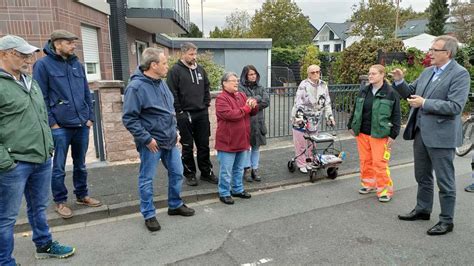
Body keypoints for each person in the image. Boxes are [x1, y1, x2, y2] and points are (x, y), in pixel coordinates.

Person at [0, 35, 75, 265]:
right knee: (6, 217)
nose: (28, 59)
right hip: (14, 163)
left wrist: (49, 146)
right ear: (3, 54)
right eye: (21, 54)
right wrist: (5, 161)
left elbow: (41, 115)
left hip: (41, 159)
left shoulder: (30, 80)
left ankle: (44, 244)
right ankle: (4, 261)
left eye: (29, 54)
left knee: (38, 208)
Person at [393, 35, 470, 235]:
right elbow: (411, 93)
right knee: (422, 176)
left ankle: (446, 220)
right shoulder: (428, 72)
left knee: (445, 180)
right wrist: (400, 81)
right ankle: (423, 209)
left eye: (435, 50)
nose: (430, 53)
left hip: (442, 136)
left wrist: (425, 103)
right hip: (421, 133)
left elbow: (455, 106)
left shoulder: (460, 74)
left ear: (448, 53)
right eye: (431, 49)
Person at [123, 48, 195, 232]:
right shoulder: (136, 87)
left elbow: (169, 111)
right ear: (153, 65)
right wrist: (146, 139)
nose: (167, 66)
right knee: (147, 179)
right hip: (152, 144)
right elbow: (129, 118)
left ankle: (174, 205)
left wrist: (176, 130)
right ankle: (149, 214)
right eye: (164, 63)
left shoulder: (161, 83)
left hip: (170, 139)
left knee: (177, 172)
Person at [33, 30, 101, 219]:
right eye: (69, 43)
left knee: (81, 165)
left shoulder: (77, 65)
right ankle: (60, 201)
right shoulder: (42, 65)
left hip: (81, 125)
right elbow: (41, 98)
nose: (73, 46)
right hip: (60, 128)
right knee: (59, 167)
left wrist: (90, 118)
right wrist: (52, 123)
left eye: (73, 43)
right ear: (57, 44)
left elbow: (87, 92)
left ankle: (82, 195)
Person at [347, 64, 401, 202]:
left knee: (379, 163)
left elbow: (396, 115)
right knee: (365, 161)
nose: (370, 76)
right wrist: (351, 125)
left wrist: (393, 134)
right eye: (369, 73)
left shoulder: (391, 93)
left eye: (374, 73)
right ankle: (368, 184)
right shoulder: (364, 91)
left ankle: (384, 190)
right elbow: (356, 110)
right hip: (363, 133)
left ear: (382, 75)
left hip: (380, 134)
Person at [166, 42, 217, 186]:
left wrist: (206, 103)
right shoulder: (175, 71)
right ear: (183, 54)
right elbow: (172, 93)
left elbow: (207, 87)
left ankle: (206, 173)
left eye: (195, 54)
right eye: (191, 54)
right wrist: (179, 111)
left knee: (204, 145)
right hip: (184, 114)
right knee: (187, 145)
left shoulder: (200, 70)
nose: (194, 57)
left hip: (201, 113)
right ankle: (190, 174)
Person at [215, 72, 259, 205]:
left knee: (239, 169)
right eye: (233, 81)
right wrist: (246, 107)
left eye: (237, 80)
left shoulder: (241, 95)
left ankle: (237, 189)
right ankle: (224, 192)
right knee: (226, 170)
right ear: (224, 83)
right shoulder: (221, 98)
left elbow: (253, 112)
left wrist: (254, 104)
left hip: (242, 140)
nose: (236, 83)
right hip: (227, 142)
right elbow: (230, 115)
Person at [290, 65, 335, 174]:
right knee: (300, 142)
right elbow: (298, 102)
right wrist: (300, 118)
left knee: (312, 142)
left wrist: (330, 117)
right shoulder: (303, 85)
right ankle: (301, 163)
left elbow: (327, 102)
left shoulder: (324, 85)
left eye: (317, 72)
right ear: (308, 74)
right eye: (312, 72)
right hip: (301, 117)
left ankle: (310, 160)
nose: (315, 74)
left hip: (315, 119)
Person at [238, 65, 269, 182]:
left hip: (259, 122)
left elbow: (266, 101)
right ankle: (246, 169)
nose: (253, 76)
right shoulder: (241, 87)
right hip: (246, 122)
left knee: (256, 147)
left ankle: (255, 170)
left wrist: (254, 102)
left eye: (254, 74)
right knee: (246, 148)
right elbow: (244, 101)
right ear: (245, 75)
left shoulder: (260, 86)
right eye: (250, 74)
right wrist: (258, 98)